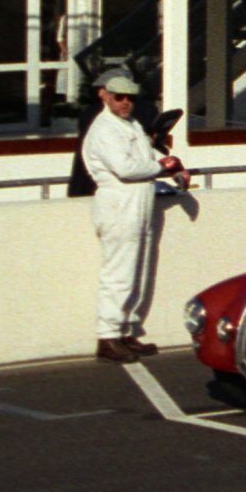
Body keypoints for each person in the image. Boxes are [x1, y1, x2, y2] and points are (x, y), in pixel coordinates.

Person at [81, 69, 185, 362]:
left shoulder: (131, 125)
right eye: (119, 97)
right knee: (119, 273)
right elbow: (126, 169)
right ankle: (108, 335)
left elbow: (148, 154)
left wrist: (173, 166)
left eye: (130, 98)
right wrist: (164, 166)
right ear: (107, 96)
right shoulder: (104, 129)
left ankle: (125, 330)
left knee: (137, 271)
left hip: (140, 201)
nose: (125, 102)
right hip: (118, 203)